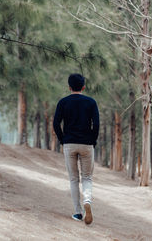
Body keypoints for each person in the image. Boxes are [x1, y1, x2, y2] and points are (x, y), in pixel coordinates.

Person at [53, 73, 99, 225]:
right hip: (86, 144)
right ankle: (87, 201)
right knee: (87, 178)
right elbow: (96, 124)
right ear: (83, 87)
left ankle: (78, 213)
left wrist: (62, 139)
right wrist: (92, 140)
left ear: (69, 87)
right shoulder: (91, 102)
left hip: (69, 144)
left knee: (74, 179)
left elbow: (55, 123)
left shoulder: (63, 102)